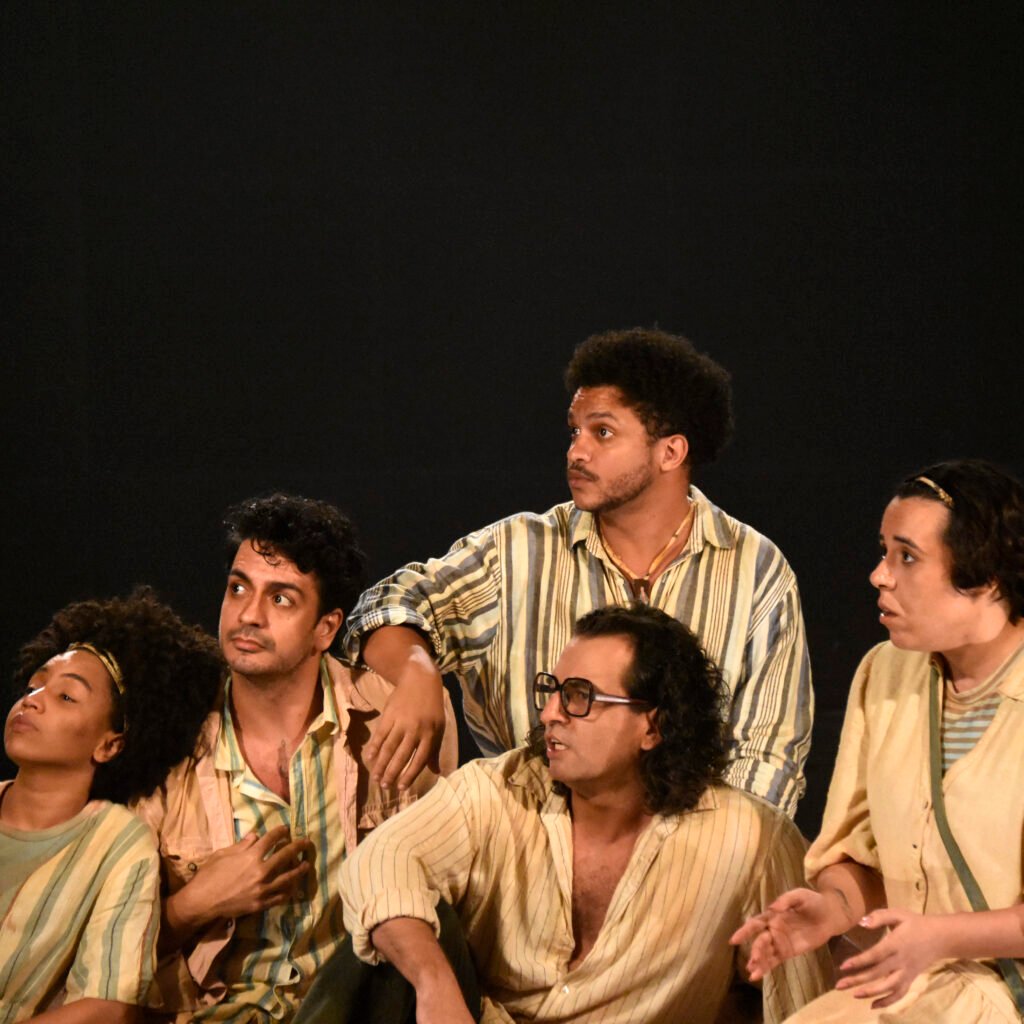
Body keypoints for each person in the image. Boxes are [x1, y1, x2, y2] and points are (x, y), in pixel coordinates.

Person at [344, 326, 814, 817]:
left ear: (670, 452)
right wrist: (418, 672)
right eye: (575, 432)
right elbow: (388, 605)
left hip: (701, 847)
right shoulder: (517, 551)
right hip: (526, 841)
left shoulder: (755, 569)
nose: (576, 452)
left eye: (602, 432)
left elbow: (769, 760)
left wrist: (691, 852)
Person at [324, 605, 831, 1024]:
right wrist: (434, 983)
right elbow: (381, 861)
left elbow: (802, 1001)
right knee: (384, 943)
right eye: (554, 690)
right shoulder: (497, 789)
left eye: (579, 697)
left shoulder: (750, 839)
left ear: (652, 727)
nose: (549, 713)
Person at [134, 494, 457, 1023]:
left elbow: (447, 892)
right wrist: (196, 904)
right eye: (239, 588)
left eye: (281, 599)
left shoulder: (393, 714)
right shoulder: (168, 738)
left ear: (326, 629)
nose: (248, 615)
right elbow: (98, 958)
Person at [730, 459, 1024, 1022]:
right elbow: (864, 852)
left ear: (986, 576)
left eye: (907, 557)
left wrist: (941, 937)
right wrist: (831, 909)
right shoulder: (886, 672)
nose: (879, 576)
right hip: (914, 985)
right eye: (884, 552)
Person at [1, 589, 223, 1024]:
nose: (33, 699)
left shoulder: (117, 844)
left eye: (66, 696)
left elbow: (108, 1006)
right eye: (34, 685)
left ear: (110, 744)